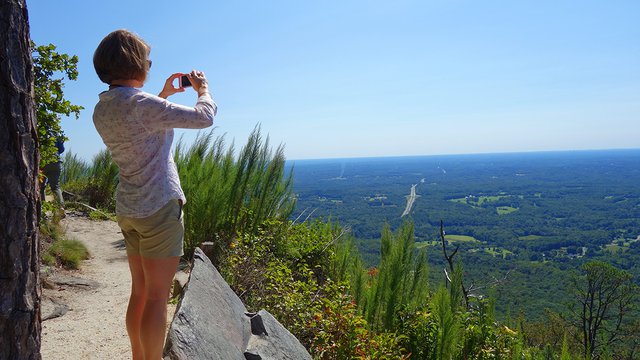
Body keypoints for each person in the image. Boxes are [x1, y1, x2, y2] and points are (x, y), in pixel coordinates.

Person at [92, 29, 217, 360]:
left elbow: (141, 122)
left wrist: (162, 93)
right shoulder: (141, 105)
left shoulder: (102, 109)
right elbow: (204, 118)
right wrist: (203, 90)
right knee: (158, 297)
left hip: (129, 208)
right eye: (147, 59)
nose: (149, 63)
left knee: (141, 292)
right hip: (159, 207)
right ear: (134, 63)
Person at [41, 136, 65, 205]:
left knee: (40, 186)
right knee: (56, 187)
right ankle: (60, 206)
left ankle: (42, 206)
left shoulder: (40, 131)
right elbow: (61, 150)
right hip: (56, 162)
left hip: (44, 162)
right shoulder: (56, 134)